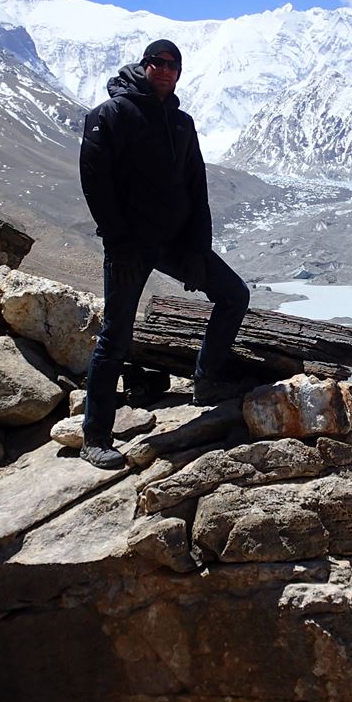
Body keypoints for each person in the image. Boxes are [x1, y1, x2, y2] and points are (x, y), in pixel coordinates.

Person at [78, 39, 251, 468]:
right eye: (157, 62)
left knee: (234, 295)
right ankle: (95, 436)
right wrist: (118, 243)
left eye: (173, 65)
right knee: (115, 337)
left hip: (175, 242)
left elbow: (197, 188)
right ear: (145, 65)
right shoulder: (112, 114)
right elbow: (95, 182)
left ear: (179, 73)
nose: (165, 70)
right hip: (130, 246)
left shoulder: (181, 123)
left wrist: (198, 248)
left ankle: (205, 382)